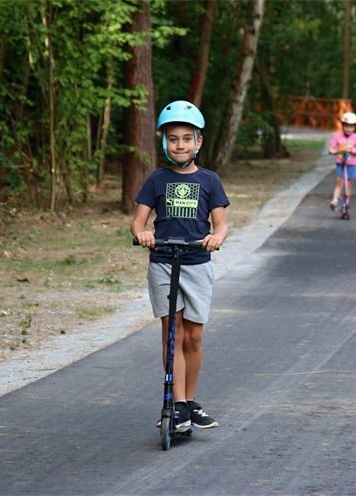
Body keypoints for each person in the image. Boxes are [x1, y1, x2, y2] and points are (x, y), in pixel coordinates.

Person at [131, 100, 229, 432]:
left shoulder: (210, 180)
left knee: (194, 335)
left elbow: (222, 224)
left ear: (198, 142)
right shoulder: (157, 180)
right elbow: (138, 222)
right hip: (163, 261)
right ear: (164, 142)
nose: (181, 144)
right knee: (172, 333)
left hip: (196, 262)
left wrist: (216, 237)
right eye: (173, 138)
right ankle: (177, 404)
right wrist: (143, 234)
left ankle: (190, 400)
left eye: (187, 138)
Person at [327, 112, 356, 211]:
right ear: (342, 125)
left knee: (348, 182)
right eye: (346, 126)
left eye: (351, 127)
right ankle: (334, 200)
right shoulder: (337, 136)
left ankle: (347, 202)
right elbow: (332, 147)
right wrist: (333, 150)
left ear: (355, 127)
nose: (348, 129)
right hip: (340, 162)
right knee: (339, 180)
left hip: (351, 164)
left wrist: (354, 151)